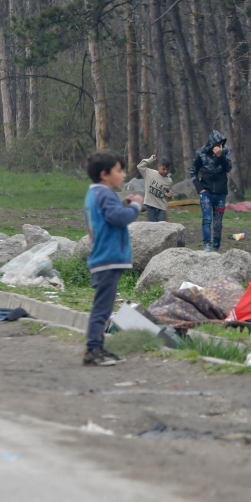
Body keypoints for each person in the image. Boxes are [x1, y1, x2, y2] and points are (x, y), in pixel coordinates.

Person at [82, 149, 143, 367]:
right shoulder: (105, 194)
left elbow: (109, 213)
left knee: (103, 307)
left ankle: (97, 346)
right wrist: (135, 206)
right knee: (102, 308)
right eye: (119, 170)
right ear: (104, 175)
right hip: (108, 259)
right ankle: (93, 350)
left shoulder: (95, 194)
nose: (124, 174)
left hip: (102, 259)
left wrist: (122, 204)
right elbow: (117, 218)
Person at [190, 130, 232, 252]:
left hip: (221, 192)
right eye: (217, 144)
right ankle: (207, 245)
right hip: (206, 192)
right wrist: (200, 189)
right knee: (207, 219)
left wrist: (221, 156)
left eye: (221, 144)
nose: (219, 146)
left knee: (218, 223)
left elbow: (228, 167)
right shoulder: (201, 153)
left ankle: (216, 247)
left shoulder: (225, 151)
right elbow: (193, 172)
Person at [138, 154, 174, 222]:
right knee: (152, 227)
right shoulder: (149, 173)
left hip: (162, 208)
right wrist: (150, 160)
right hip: (151, 206)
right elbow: (140, 166)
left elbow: (166, 195)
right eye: (163, 169)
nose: (165, 171)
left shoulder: (169, 181)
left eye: (167, 169)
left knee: (163, 227)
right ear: (158, 166)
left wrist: (169, 196)